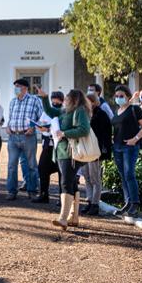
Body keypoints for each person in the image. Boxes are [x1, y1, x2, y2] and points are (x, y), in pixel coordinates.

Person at [37, 87, 92, 231]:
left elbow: (84, 130)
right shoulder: (64, 111)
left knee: (66, 182)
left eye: (67, 97)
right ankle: (73, 217)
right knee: (71, 183)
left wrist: (64, 133)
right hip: (62, 152)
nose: (65, 99)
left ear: (73, 99)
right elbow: (50, 111)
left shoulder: (80, 111)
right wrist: (44, 98)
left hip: (71, 153)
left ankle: (63, 218)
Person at [111, 85, 142, 218]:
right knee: (123, 175)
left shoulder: (135, 109)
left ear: (128, 96)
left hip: (130, 147)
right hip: (117, 147)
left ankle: (134, 203)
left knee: (129, 174)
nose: (118, 98)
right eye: (116, 96)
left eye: (121, 96)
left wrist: (135, 139)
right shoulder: (117, 111)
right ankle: (127, 202)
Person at [6, 79, 43, 200]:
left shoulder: (35, 100)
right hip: (13, 137)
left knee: (32, 164)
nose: (16, 88)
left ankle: (32, 191)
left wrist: (33, 127)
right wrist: (7, 126)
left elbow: (42, 118)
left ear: (25, 88)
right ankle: (11, 191)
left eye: (18, 86)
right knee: (12, 165)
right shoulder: (13, 102)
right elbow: (11, 118)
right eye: (15, 86)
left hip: (28, 137)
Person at [80, 92, 113, 215]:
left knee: (95, 178)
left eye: (89, 101)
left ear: (94, 102)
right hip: (84, 149)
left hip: (95, 150)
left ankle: (95, 204)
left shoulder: (101, 115)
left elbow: (106, 134)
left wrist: (104, 150)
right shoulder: (84, 114)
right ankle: (89, 201)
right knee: (87, 177)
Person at [32, 91, 64, 204]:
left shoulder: (63, 112)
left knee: (62, 172)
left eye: (57, 100)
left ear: (62, 100)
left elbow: (61, 128)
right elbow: (40, 122)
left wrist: (49, 129)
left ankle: (62, 198)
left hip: (59, 146)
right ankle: (44, 194)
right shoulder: (46, 111)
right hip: (47, 146)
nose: (55, 102)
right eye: (53, 100)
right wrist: (40, 127)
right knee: (42, 168)